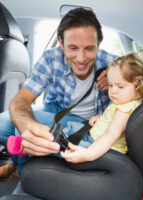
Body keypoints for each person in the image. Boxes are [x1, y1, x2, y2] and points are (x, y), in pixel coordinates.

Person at [0, 7, 117, 180]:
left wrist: (116, 77)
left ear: (99, 44)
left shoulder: (114, 64)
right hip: (56, 111)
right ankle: (17, 164)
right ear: (61, 43)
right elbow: (21, 100)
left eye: (89, 49)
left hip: (89, 124)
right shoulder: (51, 58)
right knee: (5, 123)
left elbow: (142, 79)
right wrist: (26, 126)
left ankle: (23, 174)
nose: (81, 58)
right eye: (73, 48)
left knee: (34, 122)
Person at [59, 51, 143, 163]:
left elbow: (112, 133)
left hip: (99, 147)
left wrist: (88, 154)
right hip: (95, 137)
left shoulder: (125, 110)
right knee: (66, 131)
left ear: (139, 86)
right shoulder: (125, 102)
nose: (113, 90)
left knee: (57, 144)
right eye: (111, 85)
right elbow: (114, 119)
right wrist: (101, 117)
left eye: (120, 86)